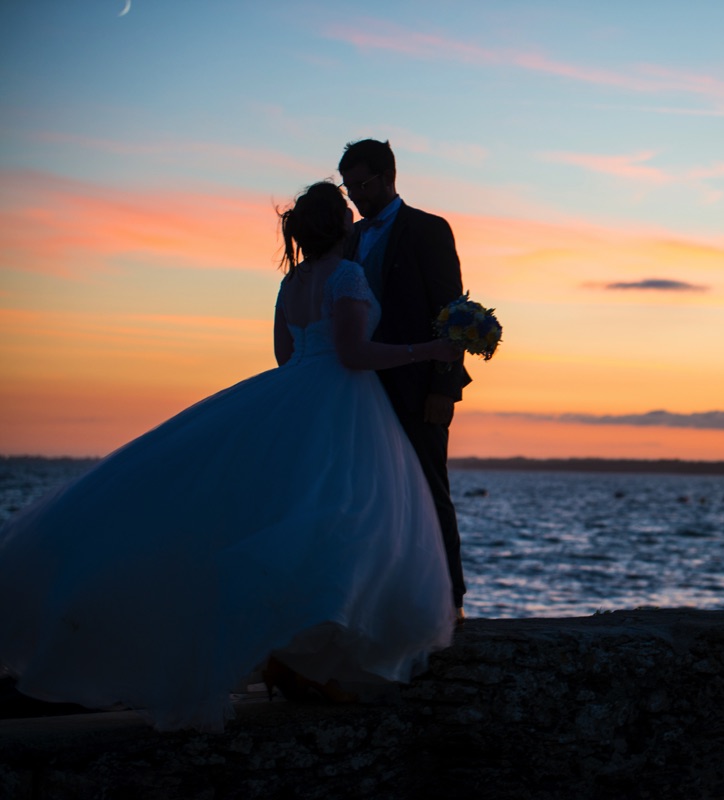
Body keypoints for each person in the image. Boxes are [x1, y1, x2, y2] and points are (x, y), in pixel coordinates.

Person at [0, 181, 460, 732]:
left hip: (291, 396)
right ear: (341, 228)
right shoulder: (348, 276)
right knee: (346, 517)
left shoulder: (292, 283)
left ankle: (293, 659)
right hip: (342, 403)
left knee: (291, 514)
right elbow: (353, 354)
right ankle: (308, 652)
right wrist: (428, 350)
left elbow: (284, 354)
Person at [338, 139, 470, 619]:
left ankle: (451, 603)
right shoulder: (349, 239)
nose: (354, 195)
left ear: (388, 177)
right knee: (372, 494)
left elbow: (452, 311)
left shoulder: (428, 230)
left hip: (418, 385)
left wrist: (443, 386)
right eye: (348, 186)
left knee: (430, 489)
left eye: (361, 184)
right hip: (361, 386)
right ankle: (384, 604)